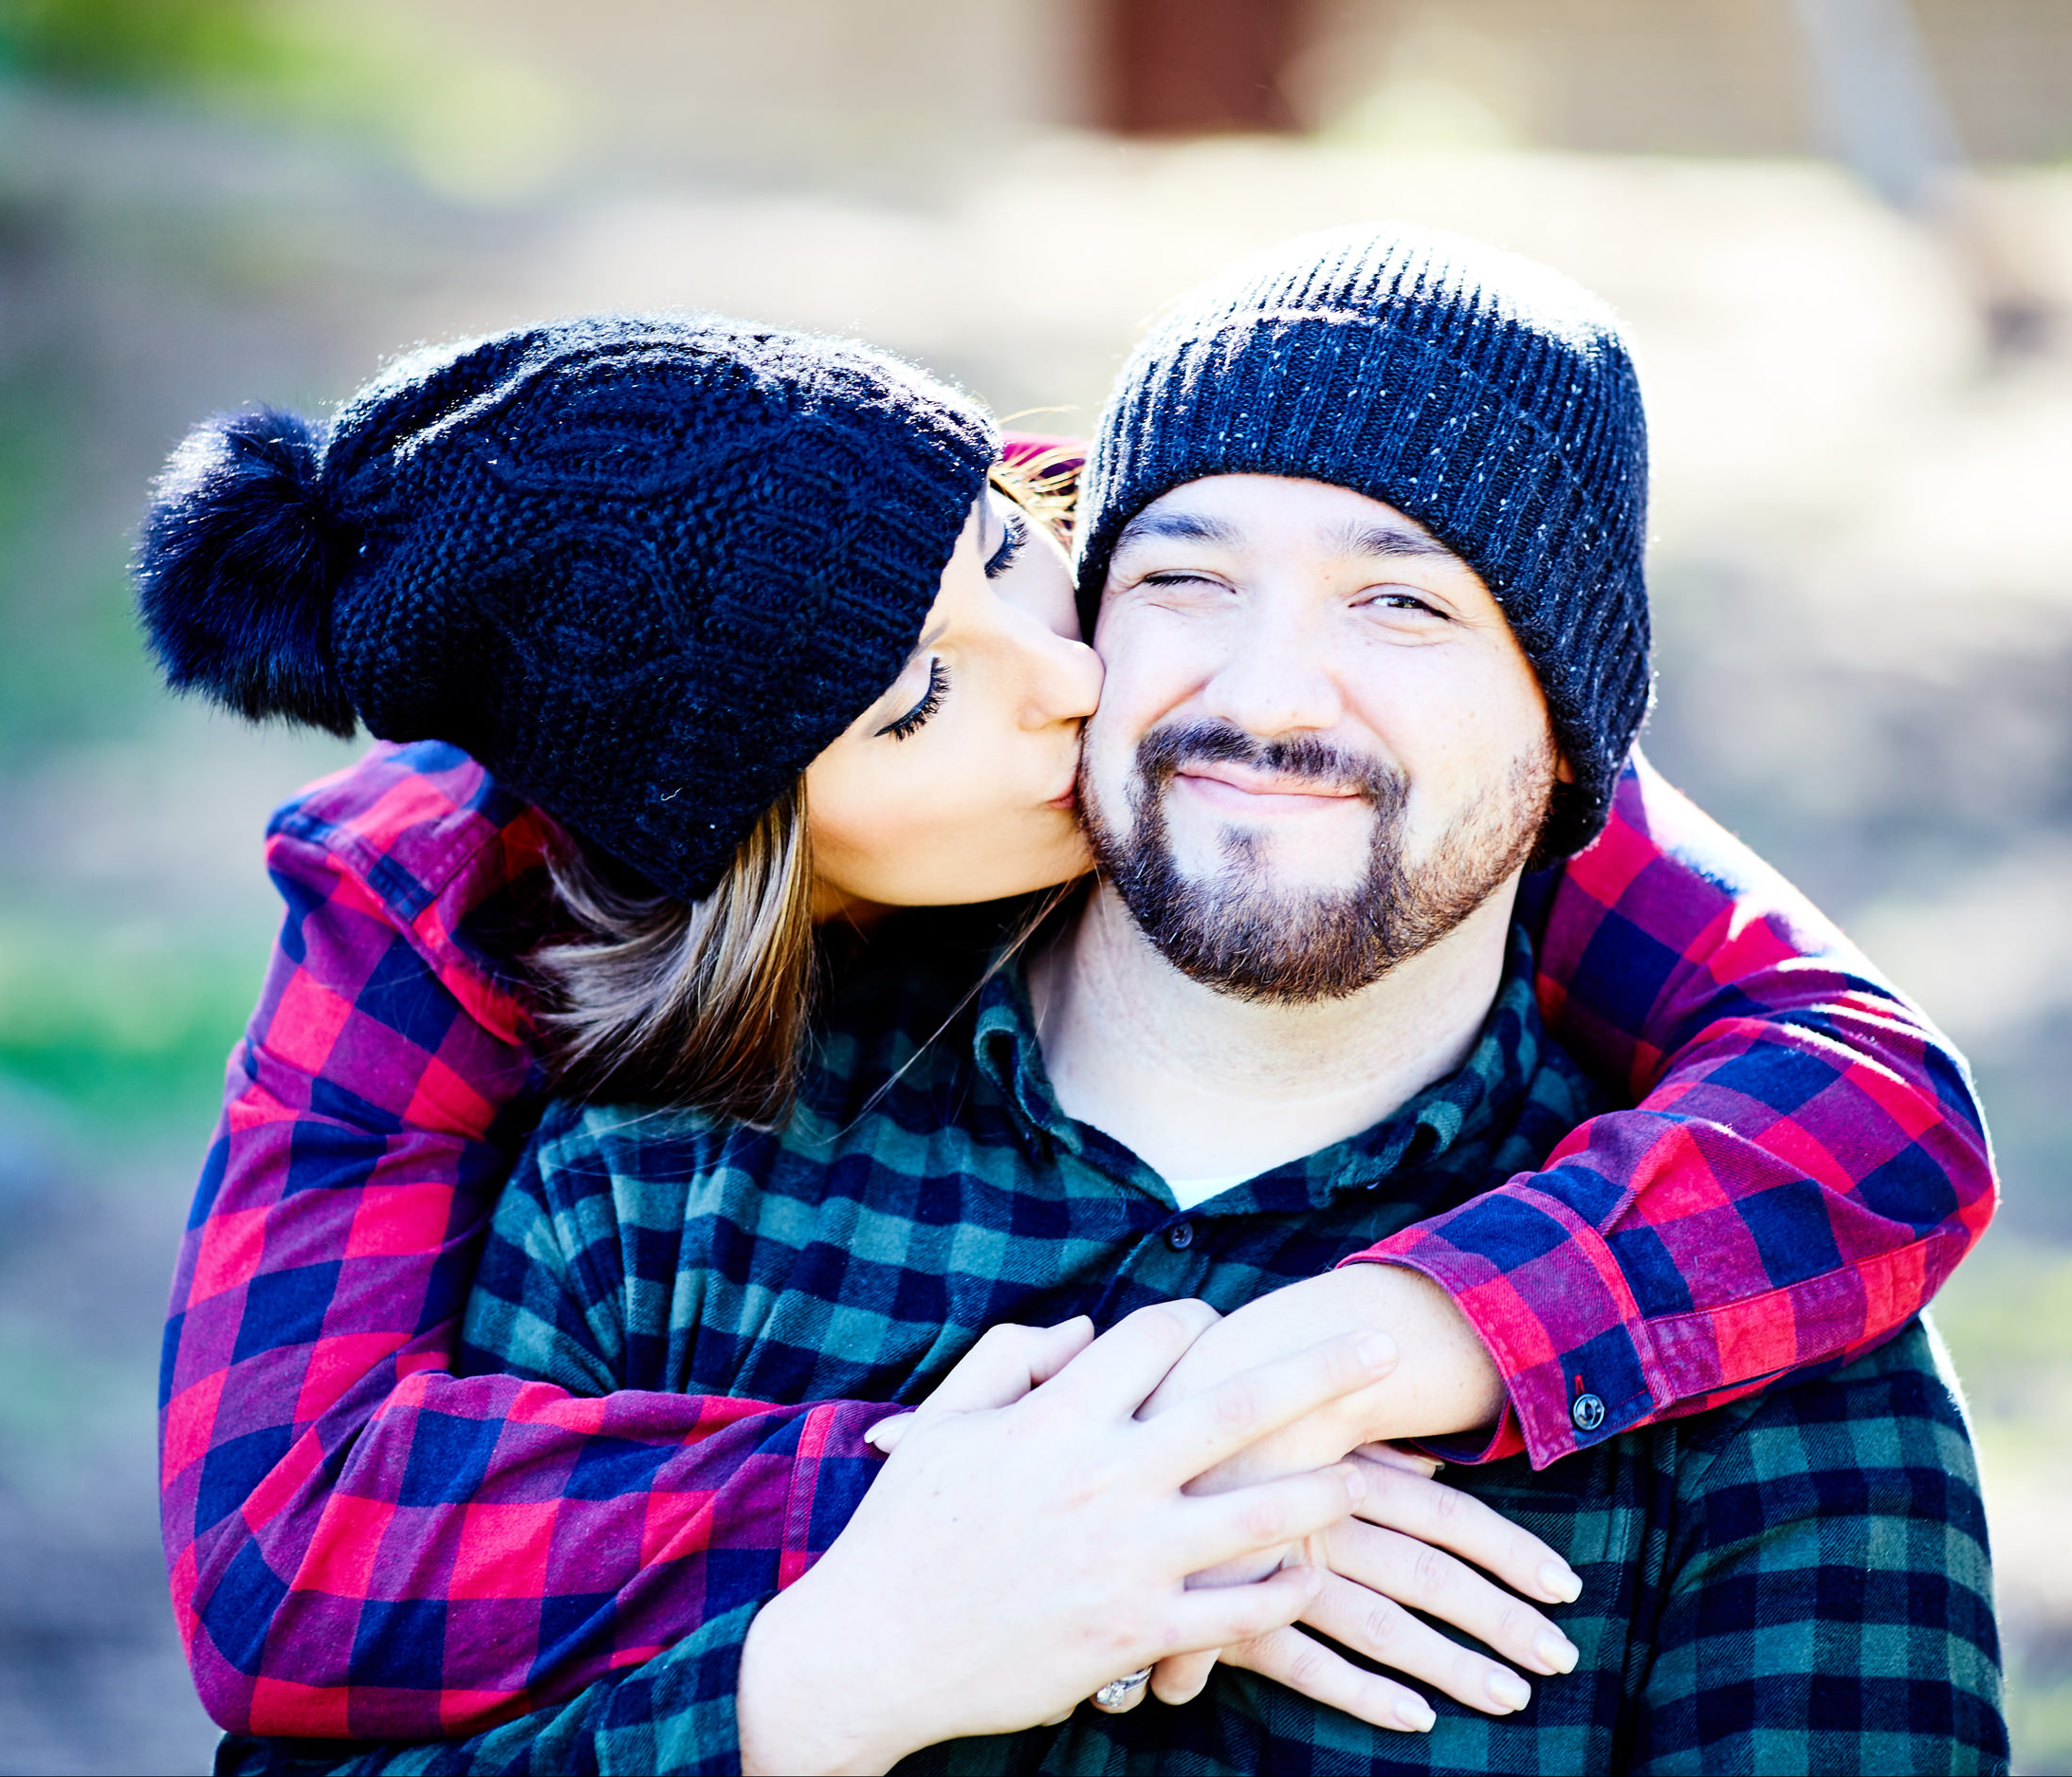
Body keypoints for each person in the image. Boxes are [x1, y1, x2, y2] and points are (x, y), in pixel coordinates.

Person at [140, 288, 1998, 1763]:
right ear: (752, 849)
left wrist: (1402, 1331)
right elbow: (290, 1556)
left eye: (1020, 562)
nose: (1107, 675)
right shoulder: (541, 1053)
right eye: (918, 702)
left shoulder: (1315, 703)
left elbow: (1862, 1090)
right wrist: (937, 1546)